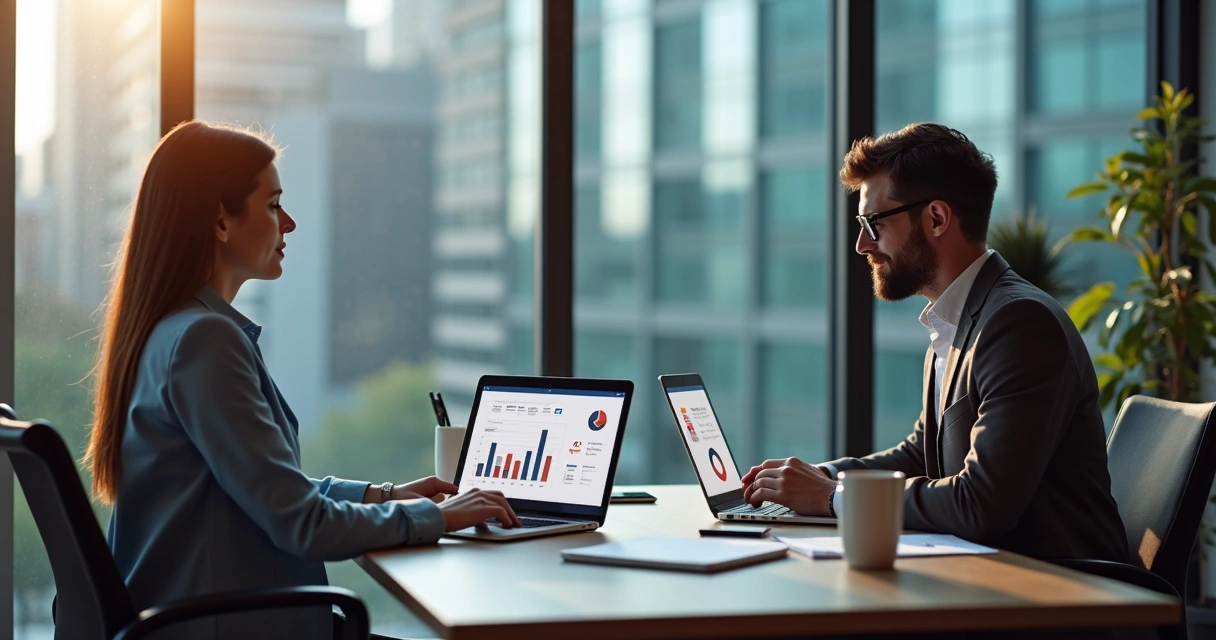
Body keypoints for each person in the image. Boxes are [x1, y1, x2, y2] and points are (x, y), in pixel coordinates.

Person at [86, 121, 521, 640]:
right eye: (272, 205)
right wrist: (439, 517)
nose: (288, 223)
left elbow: (260, 493)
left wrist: (386, 496)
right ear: (220, 220)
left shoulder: (172, 330)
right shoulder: (204, 342)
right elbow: (302, 525)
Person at [741, 123, 1127, 563]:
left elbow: (980, 504)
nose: (862, 244)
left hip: (1059, 601)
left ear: (937, 219)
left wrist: (831, 496)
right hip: (992, 583)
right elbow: (921, 454)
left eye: (873, 223)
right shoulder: (957, 319)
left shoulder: (1019, 323)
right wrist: (819, 477)